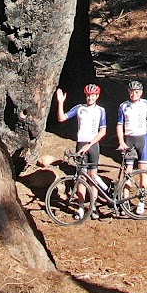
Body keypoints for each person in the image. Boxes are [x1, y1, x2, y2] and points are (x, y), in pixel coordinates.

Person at [55, 84, 107, 220]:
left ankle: (93, 207)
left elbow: (103, 131)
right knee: (81, 177)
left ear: (97, 96)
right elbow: (61, 118)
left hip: (93, 145)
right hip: (81, 144)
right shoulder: (80, 108)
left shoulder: (101, 110)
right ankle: (80, 207)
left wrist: (90, 144)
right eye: (88, 95)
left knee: (93, 178)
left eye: (93, 95)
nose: (90, 98)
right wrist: (60, 103)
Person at [115, 80, 147, 213]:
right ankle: (125, 202)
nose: (134, 94)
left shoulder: (146, 104)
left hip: (142, 140)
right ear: (129, 92)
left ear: (141, 93)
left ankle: (142, 202)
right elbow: (119, 125)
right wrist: (121, 141)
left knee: (143, 171)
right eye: (131, 92)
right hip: (129, 140)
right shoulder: (123, 106)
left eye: (136, 92)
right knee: (128, 172)